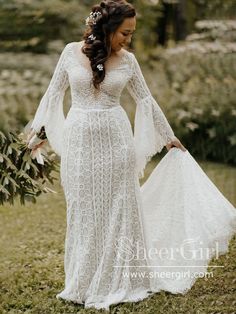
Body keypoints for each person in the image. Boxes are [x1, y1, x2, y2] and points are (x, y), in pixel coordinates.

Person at [27, 0, 236, 311]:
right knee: (83, 211)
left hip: (116, 142)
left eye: (132, 34)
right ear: (107, 27)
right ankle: (82, 282)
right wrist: (37, 134)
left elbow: (146, 101)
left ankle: (119, 279)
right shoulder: (71, 52)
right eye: (125, 33)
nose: (128, 39)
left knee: (119, 209)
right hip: (79, 142)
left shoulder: (128, 61)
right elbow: (53, 93)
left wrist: (168, 137)